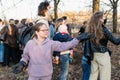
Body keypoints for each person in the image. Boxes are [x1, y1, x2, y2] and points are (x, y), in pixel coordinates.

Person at [12, 22, 93, 80]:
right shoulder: (30, 43)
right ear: (36, 32)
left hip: (46, 75)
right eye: (43, 30)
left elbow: (64, 46)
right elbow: (25, 56)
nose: (46, 31)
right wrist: (22, 63)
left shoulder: (50, 43)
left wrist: (77, 39)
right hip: (33, 75)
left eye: (47, 30)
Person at [86, 11, 120, 80]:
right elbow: (116, 41)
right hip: (103, 55)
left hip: (93, 55)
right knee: (105, 77)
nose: (105, 18)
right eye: (103, 17)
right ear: (100, 19)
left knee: (93, 76)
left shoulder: (90, 29)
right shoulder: (104, 30)